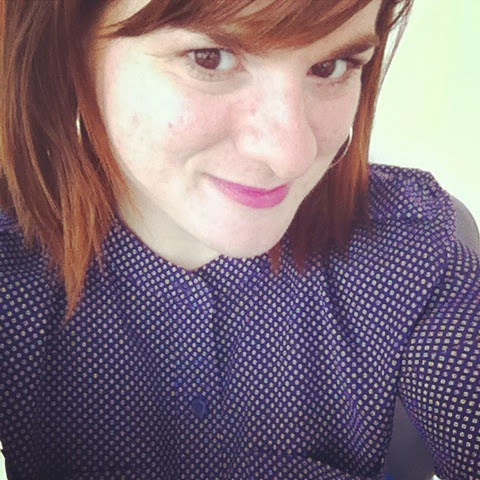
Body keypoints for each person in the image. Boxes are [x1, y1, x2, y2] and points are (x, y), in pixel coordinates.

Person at [0, 0, 478, 479]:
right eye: (210, 58)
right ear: (69, 50)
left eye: (331, 66)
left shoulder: (412, 252)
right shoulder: (12, 280)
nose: (291, 155)